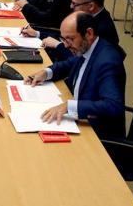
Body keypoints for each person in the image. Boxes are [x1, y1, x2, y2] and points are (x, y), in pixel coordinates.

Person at [24, 12, 126, 140]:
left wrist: (69, 106)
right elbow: (69, 64)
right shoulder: (86, 47)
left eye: (70, 39)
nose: (65, 45)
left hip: (96, 134)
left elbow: (113, 106)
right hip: (76, 120)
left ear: (89, 34)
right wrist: (46, 72)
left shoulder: (108, 61)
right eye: (63, 39)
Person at [22, 0, 124, 61]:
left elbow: (81, 59)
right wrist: (38, 34)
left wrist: (58, 46)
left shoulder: (103, 29)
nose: (71, 7)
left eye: (75, 4)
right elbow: (66, 35)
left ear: (91, 6)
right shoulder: (88, 17)